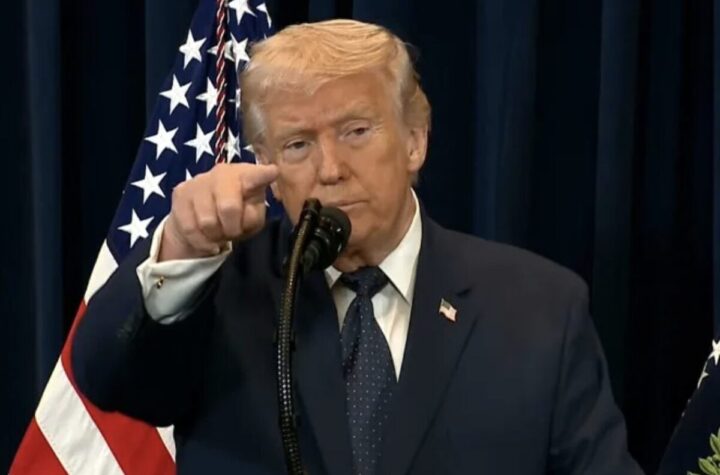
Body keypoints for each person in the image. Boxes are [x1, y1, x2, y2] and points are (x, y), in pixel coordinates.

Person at [72, 19, 644, 475]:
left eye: (356, 132)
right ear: (268, 167)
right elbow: (105, 377)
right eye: (298, 145)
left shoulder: (540, 306)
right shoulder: (220, 288)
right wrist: (181, 246)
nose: (330, 168)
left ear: (415, 140)